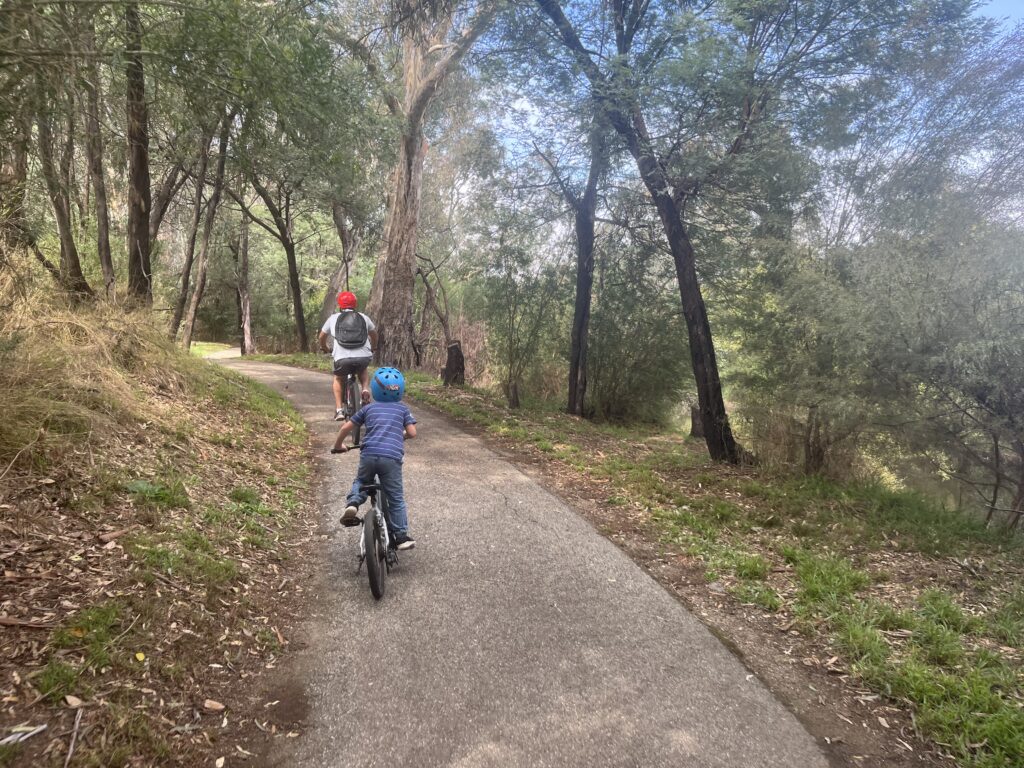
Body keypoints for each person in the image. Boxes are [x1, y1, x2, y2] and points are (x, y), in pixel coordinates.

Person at [332, 367, 417, 550]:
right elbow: (412, 433)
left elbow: (345, 428)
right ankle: (401, 537)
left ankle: (353, 502)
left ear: (375, 390)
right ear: (400, 390)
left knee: (362, 480)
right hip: (391, 459)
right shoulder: (402, 409)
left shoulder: (368, 408)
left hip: (369, 454)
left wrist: (339, 445)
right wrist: (399, 436)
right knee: (395, 498)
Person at [319, 291, 378, 421]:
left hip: (342, 358)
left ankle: (339, 410)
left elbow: (322, 336)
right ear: (355, 305)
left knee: (339, 378)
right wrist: (373, 347)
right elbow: (374, 335)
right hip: (363, 356)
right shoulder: (363, 317)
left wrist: (324, 348)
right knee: (362, 369)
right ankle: (365, 389)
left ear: (340, 305)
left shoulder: (333, 318)